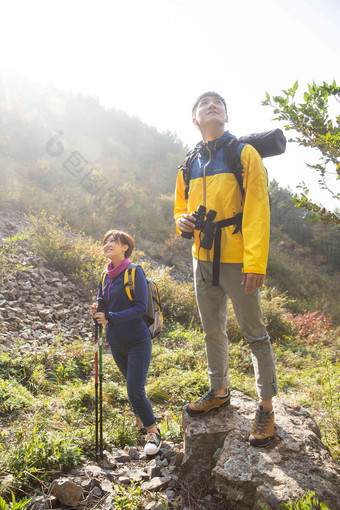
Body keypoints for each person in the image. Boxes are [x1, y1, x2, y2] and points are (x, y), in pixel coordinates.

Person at [174, 92, 278, 447]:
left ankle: (265, 406)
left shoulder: (244, 154)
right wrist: (182, 221)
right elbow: (179, 206)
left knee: (255, 334)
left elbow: (258, 210)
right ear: (194, 119)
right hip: (201, 257)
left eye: (219, 103)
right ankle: (219, 390)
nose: (212, 106)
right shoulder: (189, 163)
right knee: (212, 331)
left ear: (227, 117)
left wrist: (255, 262)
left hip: (237, 258)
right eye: (204, 104)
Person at [90, 230, 161, 455]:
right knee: (133, 388)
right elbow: (105, 306)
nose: (108, 244)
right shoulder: (104, 275)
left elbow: (141, 307)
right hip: (115, 341)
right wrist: (98, 310)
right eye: (106, 241)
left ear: (125, 248)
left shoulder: (134, 272)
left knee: (134, 391)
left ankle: (154, 433)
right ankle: (142, 421)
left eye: (114, 241)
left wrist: (110, 316)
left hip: (138, 340)